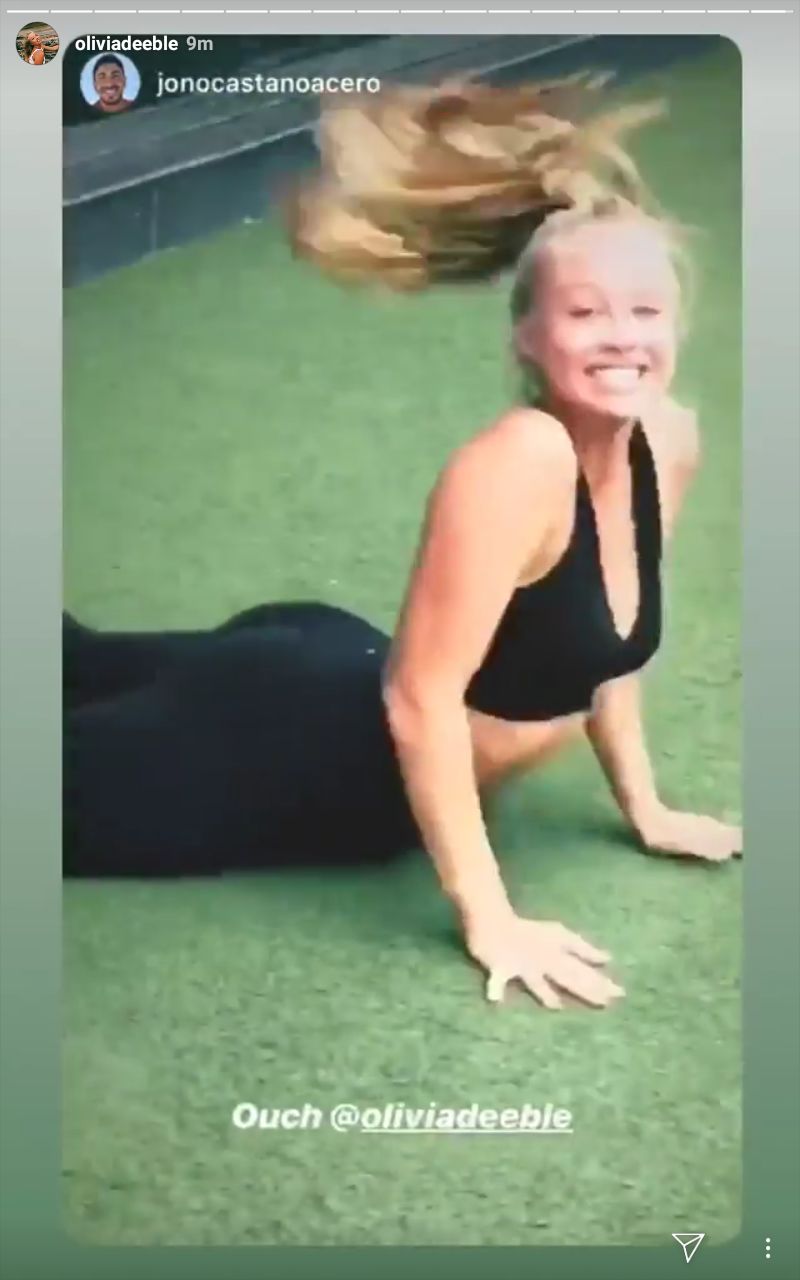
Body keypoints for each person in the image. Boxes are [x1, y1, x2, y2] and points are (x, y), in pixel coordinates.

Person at [63, 75, 741, 1011]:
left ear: (677, 325)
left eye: (645, 312)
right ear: (528, 338)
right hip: (295, 754)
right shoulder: (519, 462)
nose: (620, 339)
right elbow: (421, 701)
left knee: (75, 658)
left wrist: (647, 808)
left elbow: (611, 651)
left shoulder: (668, 441)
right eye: (585, 314)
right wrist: (491, 919)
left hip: (326, 663)